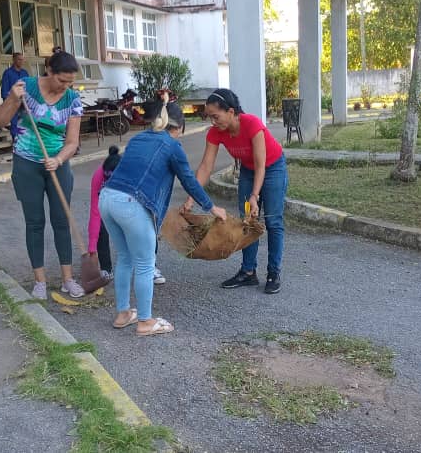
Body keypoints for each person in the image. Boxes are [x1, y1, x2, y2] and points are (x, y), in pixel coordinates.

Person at [100, 95, 228, 336]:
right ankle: (145, 322)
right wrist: (212, 207)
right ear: (179, 127)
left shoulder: (138, 138)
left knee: (125, 258)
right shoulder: (172, 145)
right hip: (132, 204)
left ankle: (123, 313)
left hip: (107, 198)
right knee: (145, 264)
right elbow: (189, 181)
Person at [0, 52, 85, 300]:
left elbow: (72, 142)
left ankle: (68, 279)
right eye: (62, 80)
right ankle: (40, 281)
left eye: (70, 82)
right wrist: (12, 99)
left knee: (62, 220)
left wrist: (59, 159)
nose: (65, 86)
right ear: (49, 70)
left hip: (57, 163)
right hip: (26, 163)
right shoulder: (26, 88)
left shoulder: (73, 100)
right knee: (34, 222)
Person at [185, 88, 289, 294]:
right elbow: (205, 166)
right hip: (249, 171)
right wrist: (191, 198)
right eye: (209, 117)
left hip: (272, 168)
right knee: (246, 221)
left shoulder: (252, 124)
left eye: (216, 116)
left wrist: (254, 196)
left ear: (231, 112)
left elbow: (261, 165)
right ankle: (248, 272)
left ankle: (273, 272)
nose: (213, 121)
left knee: (273, 221)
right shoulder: (216, 132)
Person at [88, 146, 168, 284]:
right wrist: (92, 248)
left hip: (134, 201)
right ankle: (106, 269)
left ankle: (150, 266)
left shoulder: (136, 175)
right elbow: (95, 212)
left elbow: (148, 205)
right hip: (111, 202)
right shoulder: (98, 176)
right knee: (101, 227)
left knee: (146, 228)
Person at [1, 53, 30, 140]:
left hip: (24, 102)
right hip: (13, 102)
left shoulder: (25, 73)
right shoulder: (7, 73)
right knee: (14, 123)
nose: (21, 61)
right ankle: (16, 141)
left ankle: (24, 141)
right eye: (19, 59)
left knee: (25, 123)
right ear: (14, 60)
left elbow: (28, 87)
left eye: (22, 59)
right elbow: (4, 89)